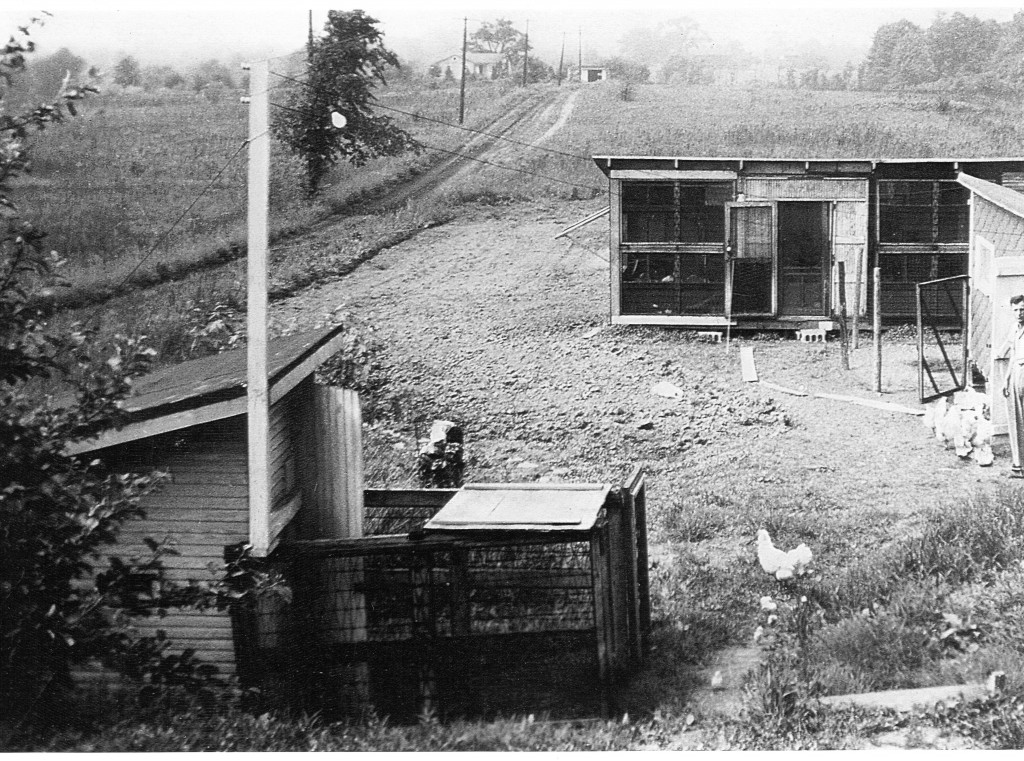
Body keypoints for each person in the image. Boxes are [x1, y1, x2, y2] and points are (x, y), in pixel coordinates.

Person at [998, 294, 1024, 478]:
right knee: (1017, 418)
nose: (1019, 313)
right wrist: (1006, 379)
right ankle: (1019, 465)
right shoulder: (1015, 328)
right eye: (1016, 310)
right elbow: (1013, 355)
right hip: (1016, 372)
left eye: (1022, 309)